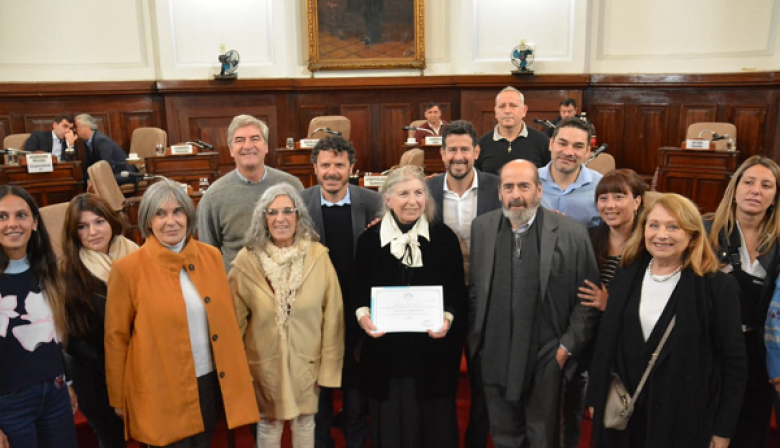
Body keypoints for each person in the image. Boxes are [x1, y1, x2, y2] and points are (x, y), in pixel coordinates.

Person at [105, 181, 259, 447]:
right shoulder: (128, 269)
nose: (171, 221)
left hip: (208, 381)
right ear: (147, 221)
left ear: (189, 216)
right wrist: (118, 397)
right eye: (160, 213)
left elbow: (226, 321)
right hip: (158, 388)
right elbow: (116, 338)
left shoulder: (211, 256)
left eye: (178, 212)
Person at [588, 193, 747, 448]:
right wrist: (596, 397)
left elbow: (733, 364)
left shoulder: (717, 286)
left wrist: (722, 430)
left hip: (682, 421)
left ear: (692, 235)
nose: (661, 235)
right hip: (624, 414)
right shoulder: (626, 274)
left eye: (673, 227)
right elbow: (605, 341)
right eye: (654, 225)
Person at [468, 159, 600, 448]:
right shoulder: (482, 228)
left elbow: (588, 300)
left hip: (547, 355)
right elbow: (476, 289)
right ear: (500, 193)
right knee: (504, 435)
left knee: (543, 437)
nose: (517, 194)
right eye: (509, 187)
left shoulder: (571, 233)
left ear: (539, 191)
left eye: (524, 186)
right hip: (495, 353)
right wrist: (478, 343)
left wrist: (566, 347)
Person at [355, 165, 466, 448]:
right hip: (386, 353)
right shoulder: (370, 240)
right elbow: (358, 291)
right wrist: (364, 317)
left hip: (432, 353)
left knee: (434, 429)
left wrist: (448, 319)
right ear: (388, 200)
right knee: (392, 426)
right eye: (403, 194)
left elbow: (457, 292)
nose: (412, 200)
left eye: (418, 193)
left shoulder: (444, 239)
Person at [230, 183, 344, 448]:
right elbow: (234, 323)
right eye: (273, 213)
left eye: (287, 211)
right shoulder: (246, 262)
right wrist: (238, 372)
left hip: (307, 363)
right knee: (269, 424)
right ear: (263, 218)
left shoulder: (318, 256)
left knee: (306, 422)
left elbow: (333, 317)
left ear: (298, 216)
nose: (280, 219)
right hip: (264, 364)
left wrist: (328, 367)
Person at [300, 136, 381, 448]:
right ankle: (320, 439)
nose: (332, 171)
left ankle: (356, 436)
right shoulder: (300, 202)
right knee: (318, 381)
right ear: (315, 168)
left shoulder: (372, 202)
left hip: (357, 305)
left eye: (339, 165)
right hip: (315, 311)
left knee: (354, 380)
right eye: (325, 165)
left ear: (352, 167)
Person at [425, 119, 500, 448]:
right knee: (440, 375)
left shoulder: (497, 188)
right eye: (452, 149)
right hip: (440, 299)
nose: (458, 156)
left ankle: (475, 440)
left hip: (486, 297)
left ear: (476, 151)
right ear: (442, 153)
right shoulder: (424, 191)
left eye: (464, 149)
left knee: (484, 379)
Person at [562, 169, 645, 448]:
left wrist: (610, 305)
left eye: (619, 197)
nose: (610, 205)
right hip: (586, 338)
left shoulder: (650, 245)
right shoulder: (589, 237)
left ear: (637, 201)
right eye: (603, 198)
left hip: (625, 347)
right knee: (575, 411)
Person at [705, 155, 780, 448]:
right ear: (734, 189)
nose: (755, 191)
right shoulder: (705, 230)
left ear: (775, 197)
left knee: (750, 429)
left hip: (758, 350)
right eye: (748, 182)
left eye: (766, 185)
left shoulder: (777, 242)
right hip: (710, 346)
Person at [0, 185, 78, 447]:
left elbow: (55, 334)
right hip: (8, 404)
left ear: (34, 222)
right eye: (2, 217)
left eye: (21, 215)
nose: (12, 224)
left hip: (54, 394)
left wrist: (65, 381)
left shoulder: (45, 268)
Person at [61, 193, 139, 448]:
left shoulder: (135, 255)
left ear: (111, 221)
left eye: (99, 222)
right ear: (74, 233)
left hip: (141, 364)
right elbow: (73, 340)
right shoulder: (69, 272)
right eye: (82, 227)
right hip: (95, 373)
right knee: (112, 439)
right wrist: (118, 367)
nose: (93, 232)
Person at [198, 114, 304, 271]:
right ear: (231, 150)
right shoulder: (213, 197)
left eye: (255, 138)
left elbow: (305, 237)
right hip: (237, 288)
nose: (248, 146)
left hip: (287, 285)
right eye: (239, 140)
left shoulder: (293, 186)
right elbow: (207, 254)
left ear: (266, 146)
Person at [539, 117, 602, 228]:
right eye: (563, 144)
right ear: (551, 144)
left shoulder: (600, 186)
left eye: (578, 146)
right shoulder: (529, 181)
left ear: (587, 152)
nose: (568, 152)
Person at [474, 86, 550, 175]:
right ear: (495, 112)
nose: (507, 111)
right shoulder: (481, 145)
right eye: (502, 106)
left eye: (513, 106)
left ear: (524, 110)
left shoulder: (542, 141)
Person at [73, 114, 137, 185]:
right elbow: (90, 166)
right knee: (84, 182)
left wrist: (93, 180)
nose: (74, 130)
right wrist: (89, 180)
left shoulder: (101, 141)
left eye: (76, 127)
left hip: (124, 173)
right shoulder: (88, 142)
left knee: (98, 182)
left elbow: (107, 166)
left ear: (86, 127)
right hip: (112, 173)